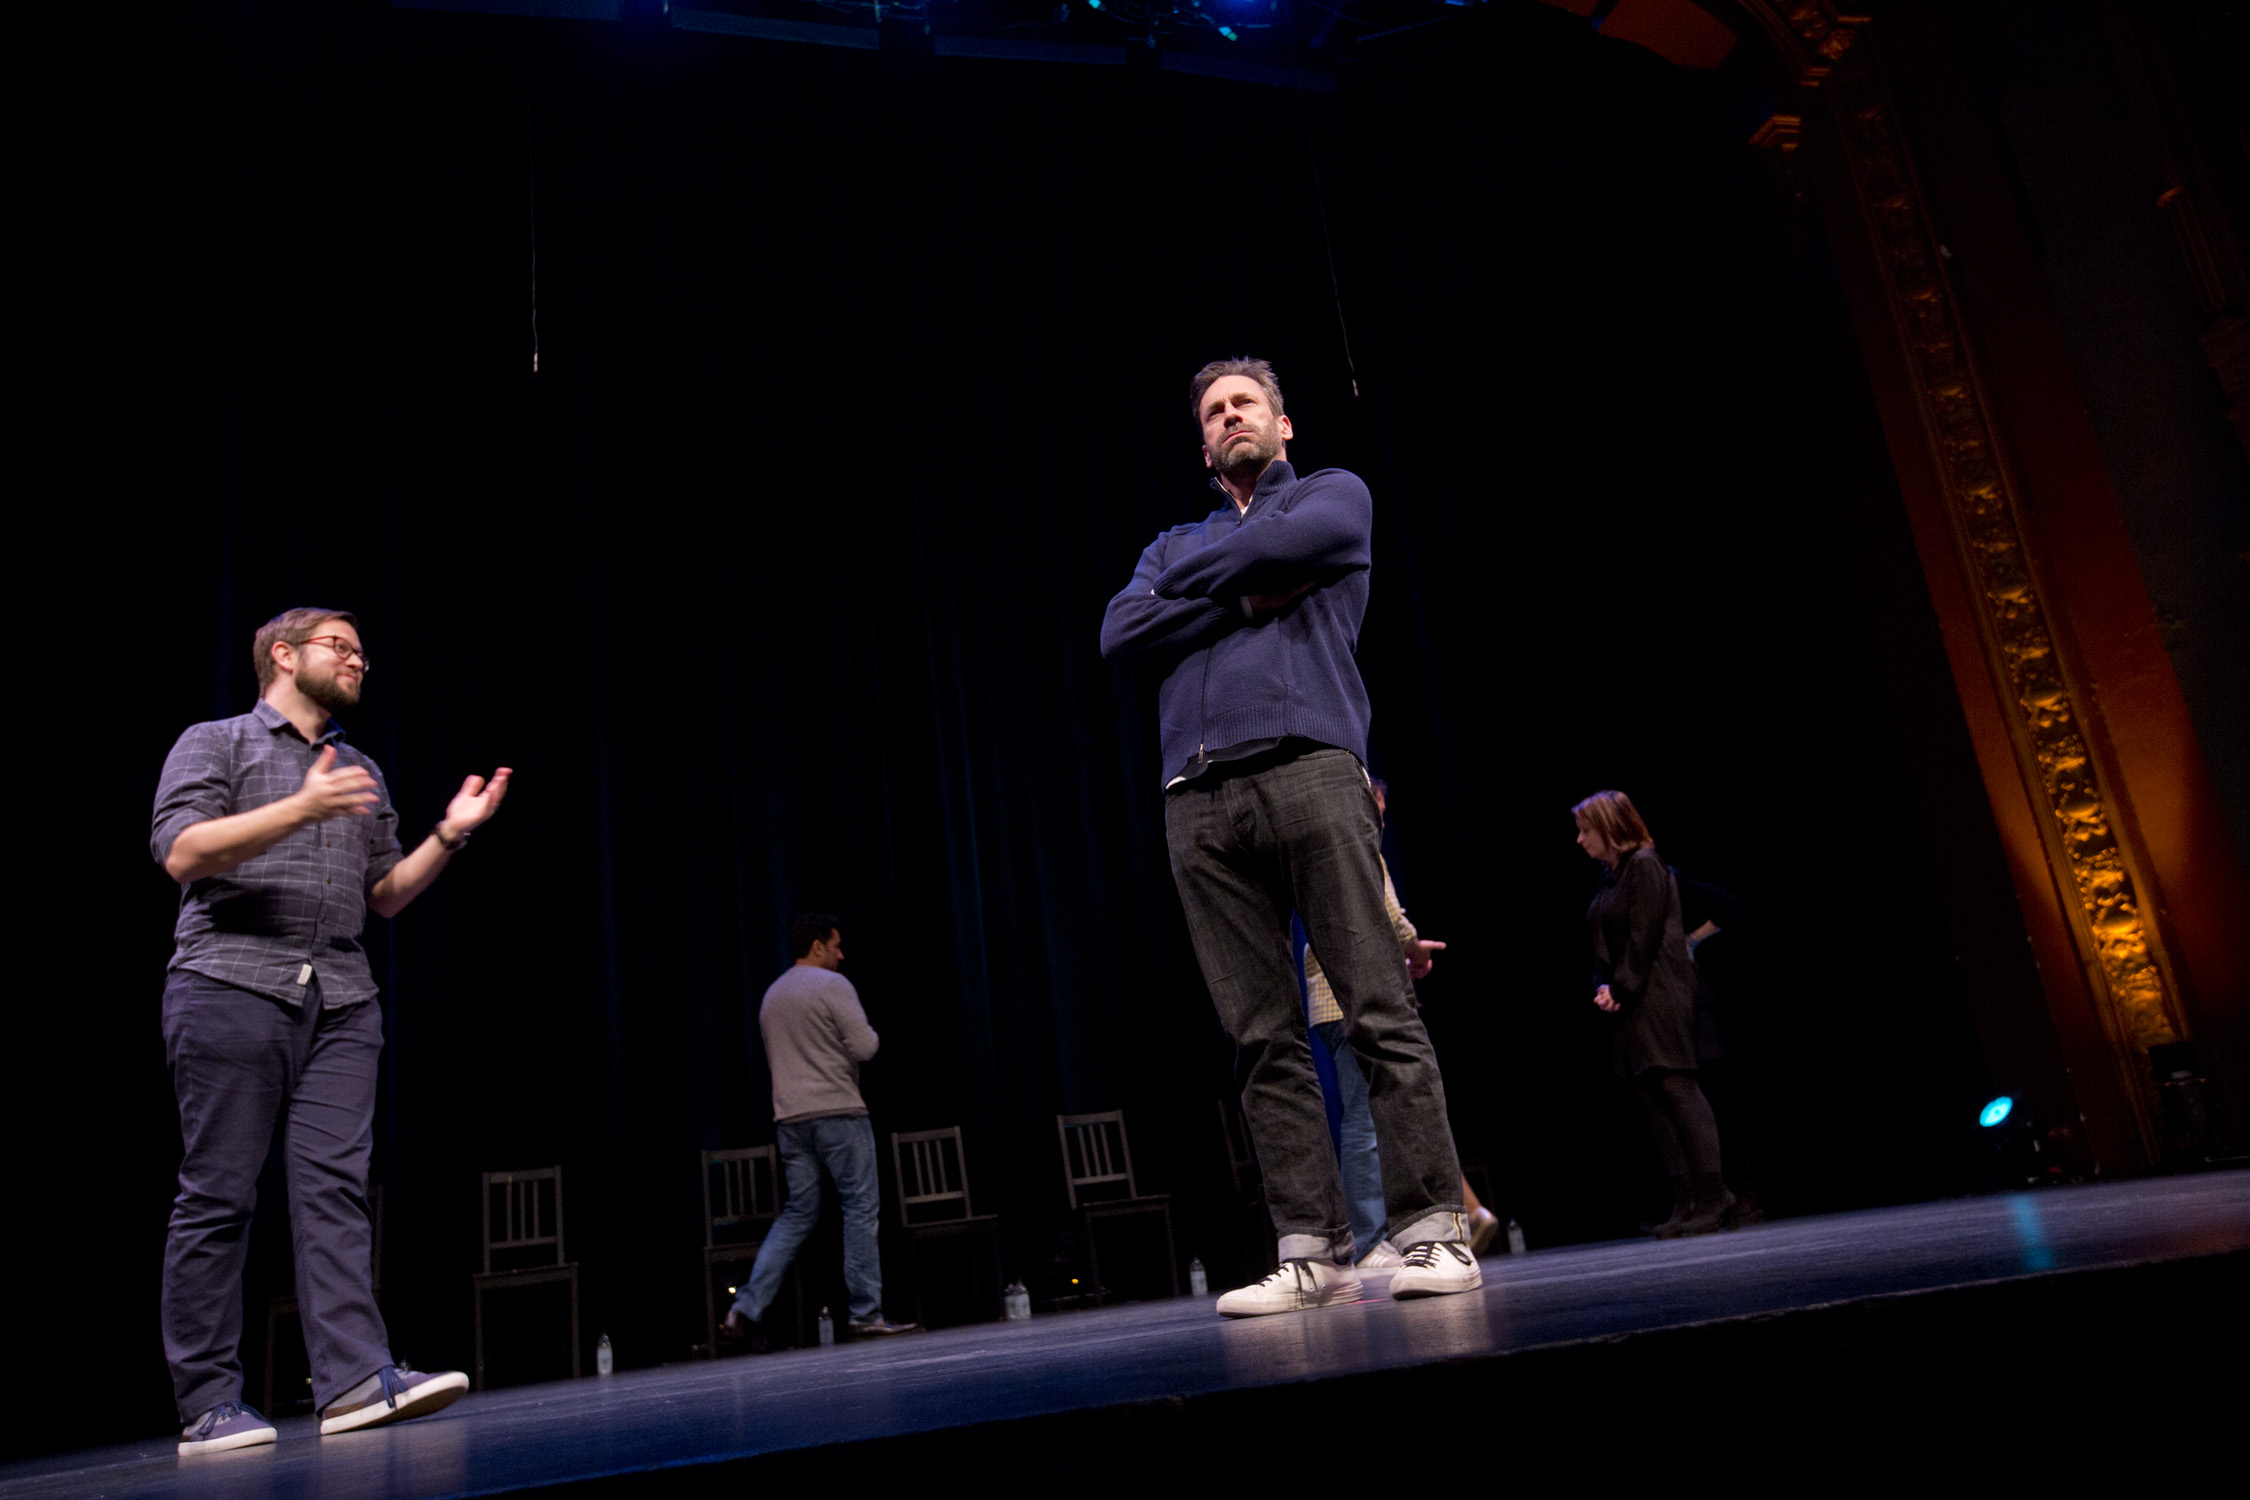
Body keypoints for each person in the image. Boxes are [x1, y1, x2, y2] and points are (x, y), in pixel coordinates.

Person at [1100, 357, 1480, 1316]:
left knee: (1374, 1006)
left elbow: (1245, 566)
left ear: (1283, 424)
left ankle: (1434, 1231)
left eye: (1246, 403)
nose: (1232, 417)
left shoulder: (1332, 496)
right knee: (1261, 1036)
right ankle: (1315, 1250)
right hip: (1196, 793)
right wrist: (1236, 592)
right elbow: (1119, 632)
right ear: (1202, 444)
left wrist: (1201, 585)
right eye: (1215, 412)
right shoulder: (1172, 540)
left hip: (1309, 763)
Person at [152, 607, 510, 1454]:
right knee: (219, 1195)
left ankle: (353, 1380)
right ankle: (207, 1401)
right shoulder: (218, 743)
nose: (358, 661)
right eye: (339, 647)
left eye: (361, 653)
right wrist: (300, 809)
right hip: (230, 982)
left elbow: (383, 893)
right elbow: (183, 851)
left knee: (336, 1193)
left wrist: (448, 837)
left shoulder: (360, 770)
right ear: (284, 655)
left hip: (342, 998)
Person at [1299, 781, 1493, 1271]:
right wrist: (1413, 947)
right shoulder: (1354, 850)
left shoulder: (1320, 854)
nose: (1378, 821)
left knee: (1373, 1115)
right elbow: (1386, 915)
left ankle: (1399, 1228)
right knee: (1365, 1119)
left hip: (1334, 1002)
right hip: (1345, 1003)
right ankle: (1368, 1241)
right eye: (1375, 809)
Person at [723, 914, 919, 1347]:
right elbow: (865, 1047)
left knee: (798, 1214)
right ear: (816, 946)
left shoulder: (773, 995)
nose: (841, 954)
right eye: (835, 946)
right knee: (860, 1208)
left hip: (790, 1120)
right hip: (838, 1112)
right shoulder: (833, 987)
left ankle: (746, 1306)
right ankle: (866, 1314)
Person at [1573, 790, 1733, 1237]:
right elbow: (1602, 942)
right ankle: (1686, 1200)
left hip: (1657, 992)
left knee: (1676, 1086)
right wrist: (1602, 986)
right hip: (1628, 995)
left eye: (1585, 830)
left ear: (1608, 828)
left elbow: (1644, 937)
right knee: (1649, 1093)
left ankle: (1714, 1194)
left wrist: (1619, 987)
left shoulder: (1645, 864)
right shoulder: (1611, 876)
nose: (1580, 840)